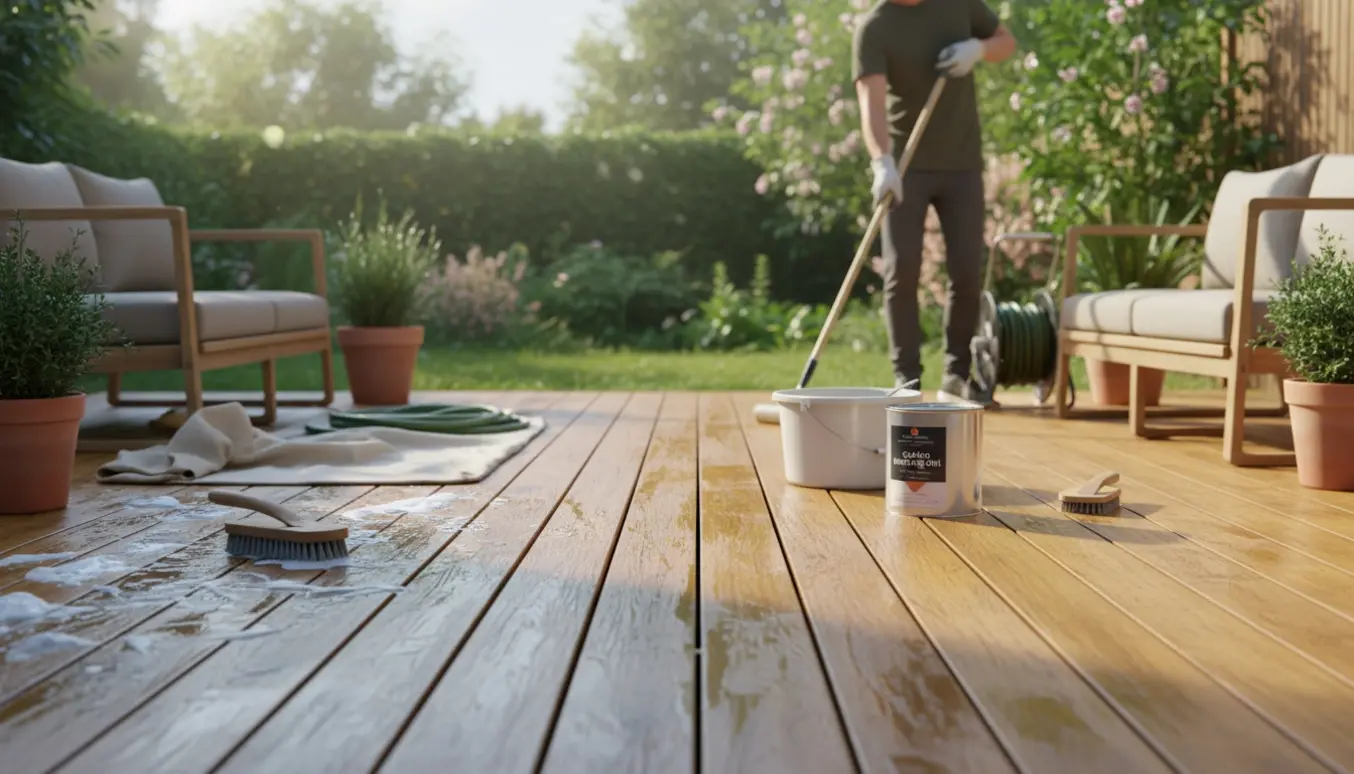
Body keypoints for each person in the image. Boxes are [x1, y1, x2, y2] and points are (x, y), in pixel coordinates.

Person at [852, 0, 1016, 404]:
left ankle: (956, 375)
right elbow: (870, 104)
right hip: (906, 168)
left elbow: (1006, 42)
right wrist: (882, 163)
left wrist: (978, 49)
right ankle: (906, 380)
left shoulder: (959, 5)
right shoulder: (875, 28)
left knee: (966, 271)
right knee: (901, 269)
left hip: (962, 164)